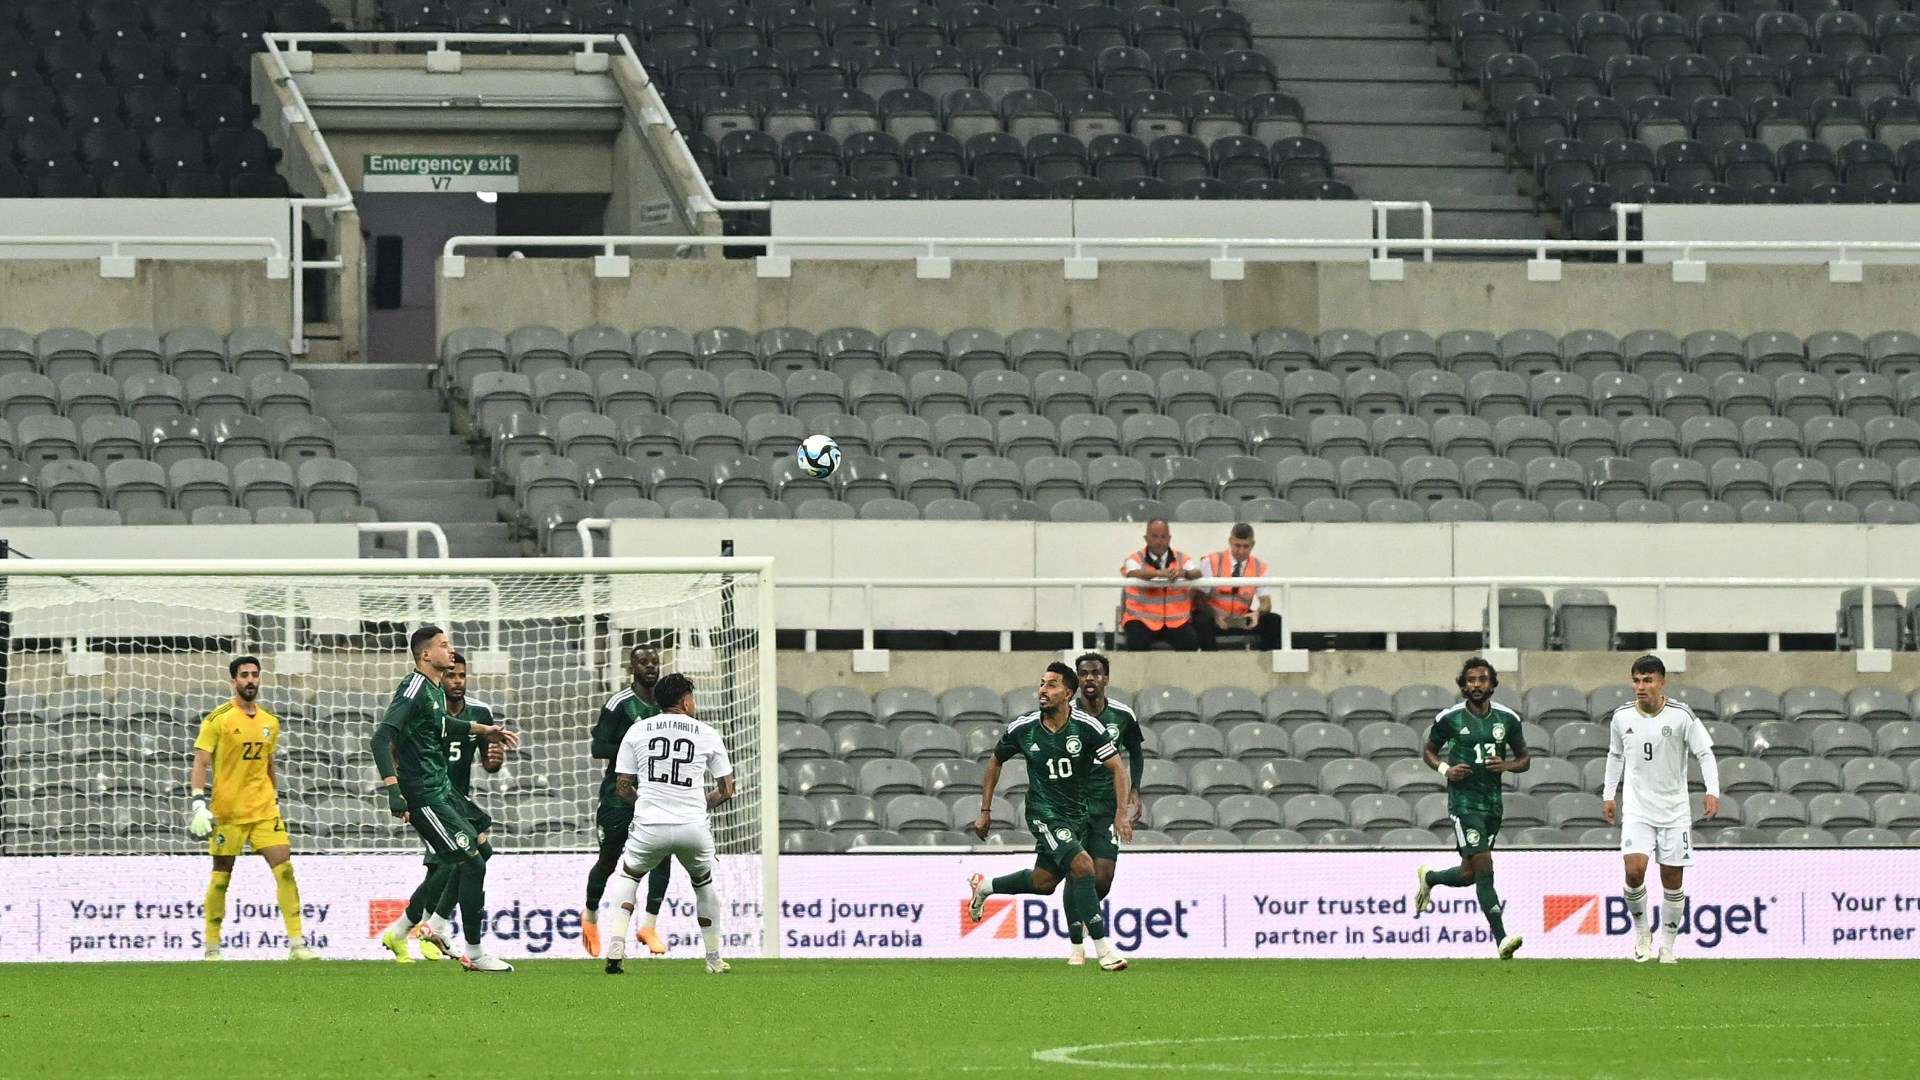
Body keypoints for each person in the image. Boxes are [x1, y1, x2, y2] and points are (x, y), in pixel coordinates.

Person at [965, 661, 1134, 972]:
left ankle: (985, 886)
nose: (1043, 690)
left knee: (1043, 883)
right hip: (1043, 812)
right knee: (1084, 866)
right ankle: (1103, 949)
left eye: (1052, 684)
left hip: (1076, 814)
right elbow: (994, 762)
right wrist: (985, 810)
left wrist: (1121, 814)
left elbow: (1118, 770)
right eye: (1042, 683)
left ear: (1068, 693)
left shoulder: (1087, 727)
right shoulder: (1023, 727)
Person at [369, 625, 519, 972]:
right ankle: (476, 953)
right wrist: (394, 790)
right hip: (424, 795)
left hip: (445, 789)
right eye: (443, 645)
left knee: (483, 847)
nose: (449, 650)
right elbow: (380, 739)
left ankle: (433, 926)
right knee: (472, 863)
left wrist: (485, 730)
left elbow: (442, 726)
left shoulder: (434, 691)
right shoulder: (414, 688)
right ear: (425, 655)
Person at [600, 672, 736, 976]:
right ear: (686, 701)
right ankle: (714, 959)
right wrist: (701, 804)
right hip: (692, 826)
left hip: (650, 825)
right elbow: (727, 789)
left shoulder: (637, 731)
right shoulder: (707, 733)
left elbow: (622, 786)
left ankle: (617, 945)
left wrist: (647, 805)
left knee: (629, 875)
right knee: (703, 885)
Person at [186, 655, 316, 961]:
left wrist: (275, 797)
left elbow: (268, 764)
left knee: (284, 869)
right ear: (233, 681)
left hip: (263, 811)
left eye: (255, 674)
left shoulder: (270, 722)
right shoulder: (217, 719)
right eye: (244, 675)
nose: (250, 680)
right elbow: (201, 762)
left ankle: (297, 943)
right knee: (221, 876)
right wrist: (197, 802)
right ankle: (212, 946)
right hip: (228, 812)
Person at [1603, 654, 1720, 964]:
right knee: (1634, 870)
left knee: (1672, 879)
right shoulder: (1622, 717)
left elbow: (1704, 754)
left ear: (1661, 682)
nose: (1640, 687)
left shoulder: (1681, 715)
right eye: (1636, 680)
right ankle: (1643, 932)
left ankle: (1667, 945)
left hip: (1674, 811)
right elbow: (1615, 756)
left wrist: (1712, 791)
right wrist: (1608, 794)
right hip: (1638, 810)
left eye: (1647, 680)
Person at [1411, 656, 1528, 960]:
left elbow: (1525, 759)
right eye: (1471, 680)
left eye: (1483, 679)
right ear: (1463, 685)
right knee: (1485, 868)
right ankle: (1501, 939)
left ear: (1492, 684)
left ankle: (1430, 878)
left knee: (1469, 874)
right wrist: (1445, 770)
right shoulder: (1450, 718)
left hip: (1493, 803)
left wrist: (1507, 766)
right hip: (1464, 803)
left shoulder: (1507, 719)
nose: (1477, 685)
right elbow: (1428, 751)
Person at [410, 652, 507, 963]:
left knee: (473, 858)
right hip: (431, 800)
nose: (457, 682)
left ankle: (427, 926)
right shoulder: (426, 707)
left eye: (461, 676)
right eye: (451, 675)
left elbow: (489, 758)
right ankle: (429, 930)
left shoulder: (480, 711)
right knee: (458, 863)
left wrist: (494, 762)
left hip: (458, 801)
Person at [583, 645, 674, 958]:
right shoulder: (620, 703)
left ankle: (648, 925)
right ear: (631, 668)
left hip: (654, 796)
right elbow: (598, 747)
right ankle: (591, 916)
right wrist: (634, 747)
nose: (650, 666)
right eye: (643, 662)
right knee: (608, 862)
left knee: (663, 856)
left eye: (654, 661)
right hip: (617, 798)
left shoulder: (667, 707)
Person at [1067, 651, 1143, 967]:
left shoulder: (1122, 716)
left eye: (1095, 673)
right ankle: (1076, 948)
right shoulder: (1064, 716)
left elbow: (1136, 754)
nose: (1089, 679)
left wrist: (1134, 792)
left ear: (1105, 678)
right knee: (1077, 871)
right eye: (1083, 673)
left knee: (1103, 878)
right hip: (1073, 805)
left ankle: (1084, 920)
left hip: (1108, 805)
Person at [1193, 523, 1285, 651]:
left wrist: (1257, 613)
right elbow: (1199, 599)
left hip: (1242, 617)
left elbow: (1266, 603)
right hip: (1215, 616)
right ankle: (1211, 662)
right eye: (1237, 546)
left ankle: (1263, 663)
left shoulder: (1260, 567)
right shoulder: (1211, 561)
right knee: (1201, 620)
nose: (1241, 551)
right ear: (1230, 542)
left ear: (1253, 544)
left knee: (1274, 621)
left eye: (1246, 546)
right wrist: (1215, 615)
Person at [1119, 518, 1200, 651]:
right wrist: (1161, 573)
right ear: (1146, 538)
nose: (1158, 541)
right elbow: (1133, 573)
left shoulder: (1181, 558)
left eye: (1163, 537)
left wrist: (1183, 573)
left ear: (1169, 538)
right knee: (1135, 641)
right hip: (1141, 619)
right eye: (1154, 536)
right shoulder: (1134, 559)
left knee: (1191, 641)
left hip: (1176, 621)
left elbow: (1196, 573)